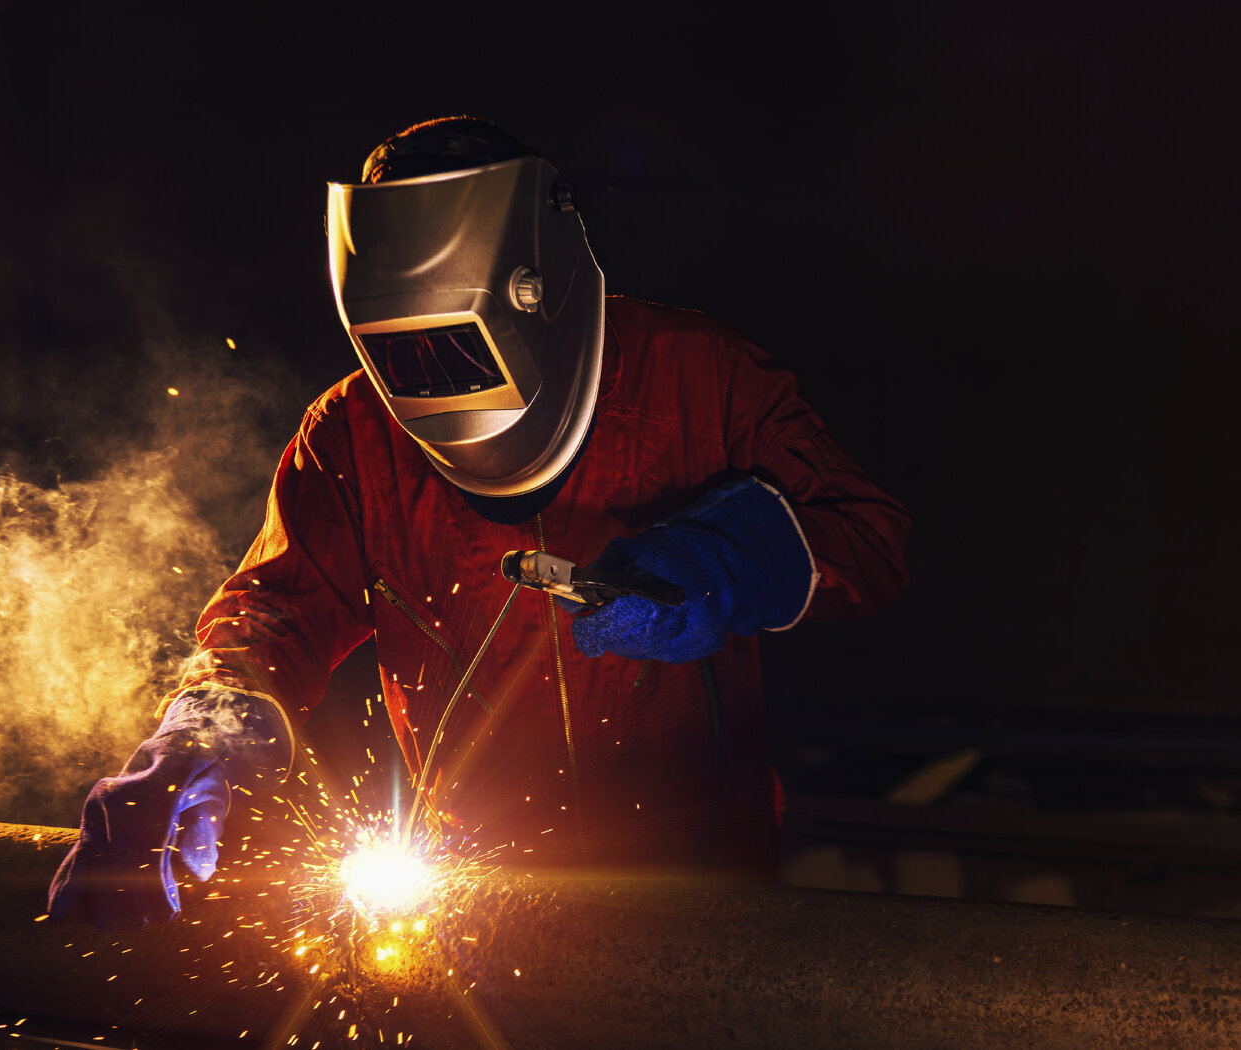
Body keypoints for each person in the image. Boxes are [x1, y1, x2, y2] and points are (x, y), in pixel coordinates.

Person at [48, 116, 910, 925]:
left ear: (536, 289)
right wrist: (210, 724)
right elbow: (277, 611)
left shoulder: (701, 376)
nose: (433, 383)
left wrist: (725, 563)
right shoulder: (352, 431)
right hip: (477, 904)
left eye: (456, 346)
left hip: (704, 900)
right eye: (400, 352)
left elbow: (868, 541)